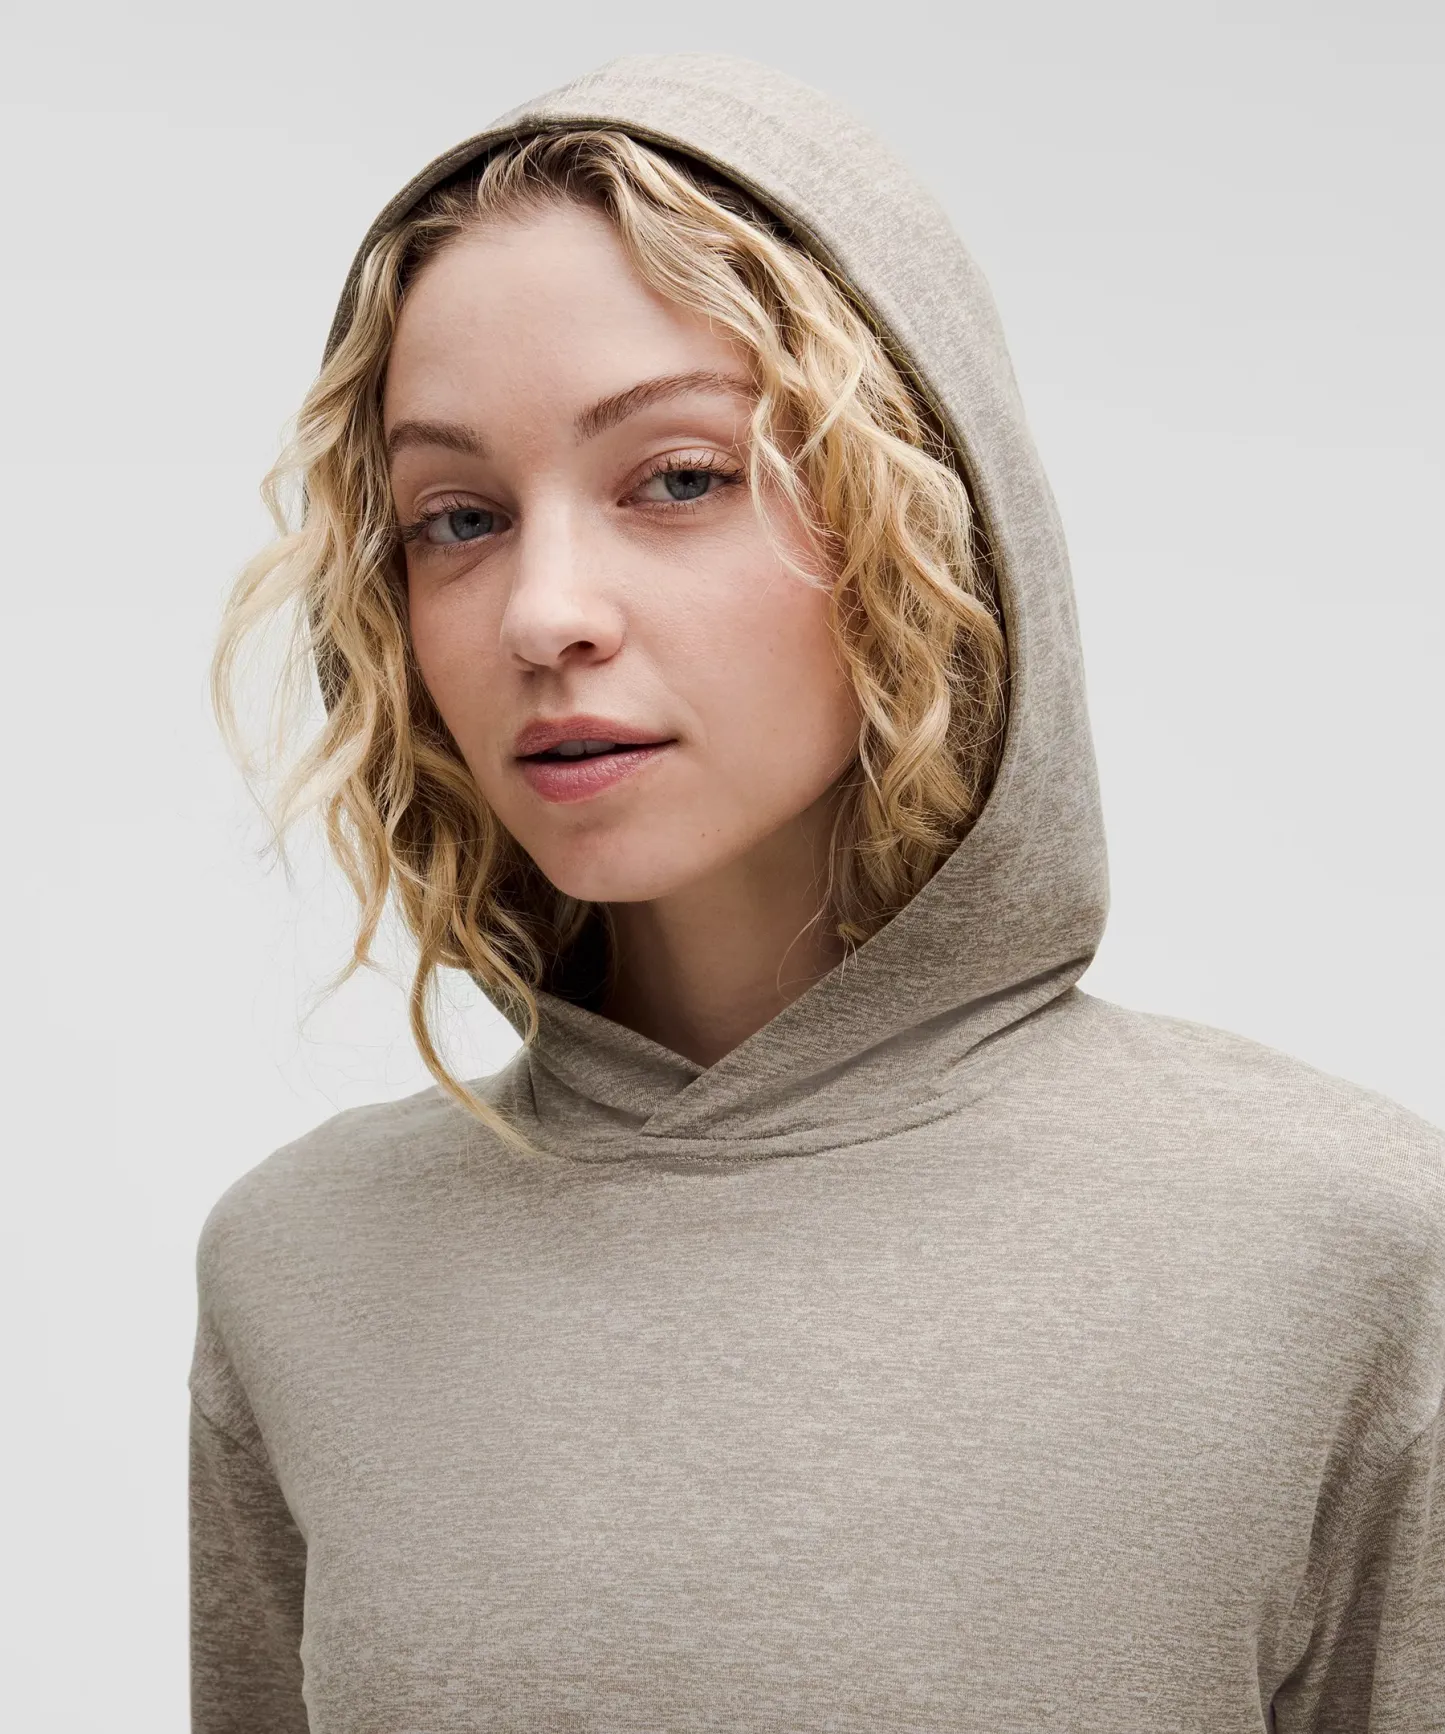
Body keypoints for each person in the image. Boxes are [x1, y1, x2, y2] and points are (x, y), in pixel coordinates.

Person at [194, 52, 1444, 1734]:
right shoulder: (304, 1269)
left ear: (920, 508)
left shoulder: (1344, 1247)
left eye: (678, 478)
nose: (544, 612)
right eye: (459, 517)